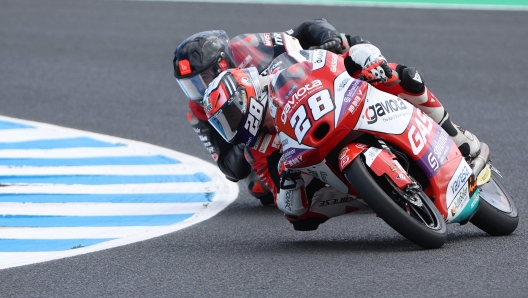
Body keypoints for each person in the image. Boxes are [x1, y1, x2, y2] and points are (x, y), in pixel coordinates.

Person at [203, 41, 481, 230]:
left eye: (230, 117)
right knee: (301, 219)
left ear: (245, 98)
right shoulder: (257, 148)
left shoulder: (280, 72)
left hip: (340, 109)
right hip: (320, 167)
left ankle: (453, 133)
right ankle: (378, 197)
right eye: (223, 125)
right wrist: (289, 181)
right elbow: (284, 202)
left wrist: (364, 61)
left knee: (400, 75)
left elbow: (328, 60)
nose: (231, 128)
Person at [172, 19, 350, 205]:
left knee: (346, 42)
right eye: (191, 85)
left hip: (307, 98)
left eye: (204, 79)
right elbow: (230, 169)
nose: (200, 91)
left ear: (222, 65)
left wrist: (330, 38)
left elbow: (307, 28)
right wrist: (244, 132)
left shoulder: (248, 48)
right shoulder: (201, 107)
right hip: (267, 140)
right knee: (259, 187)